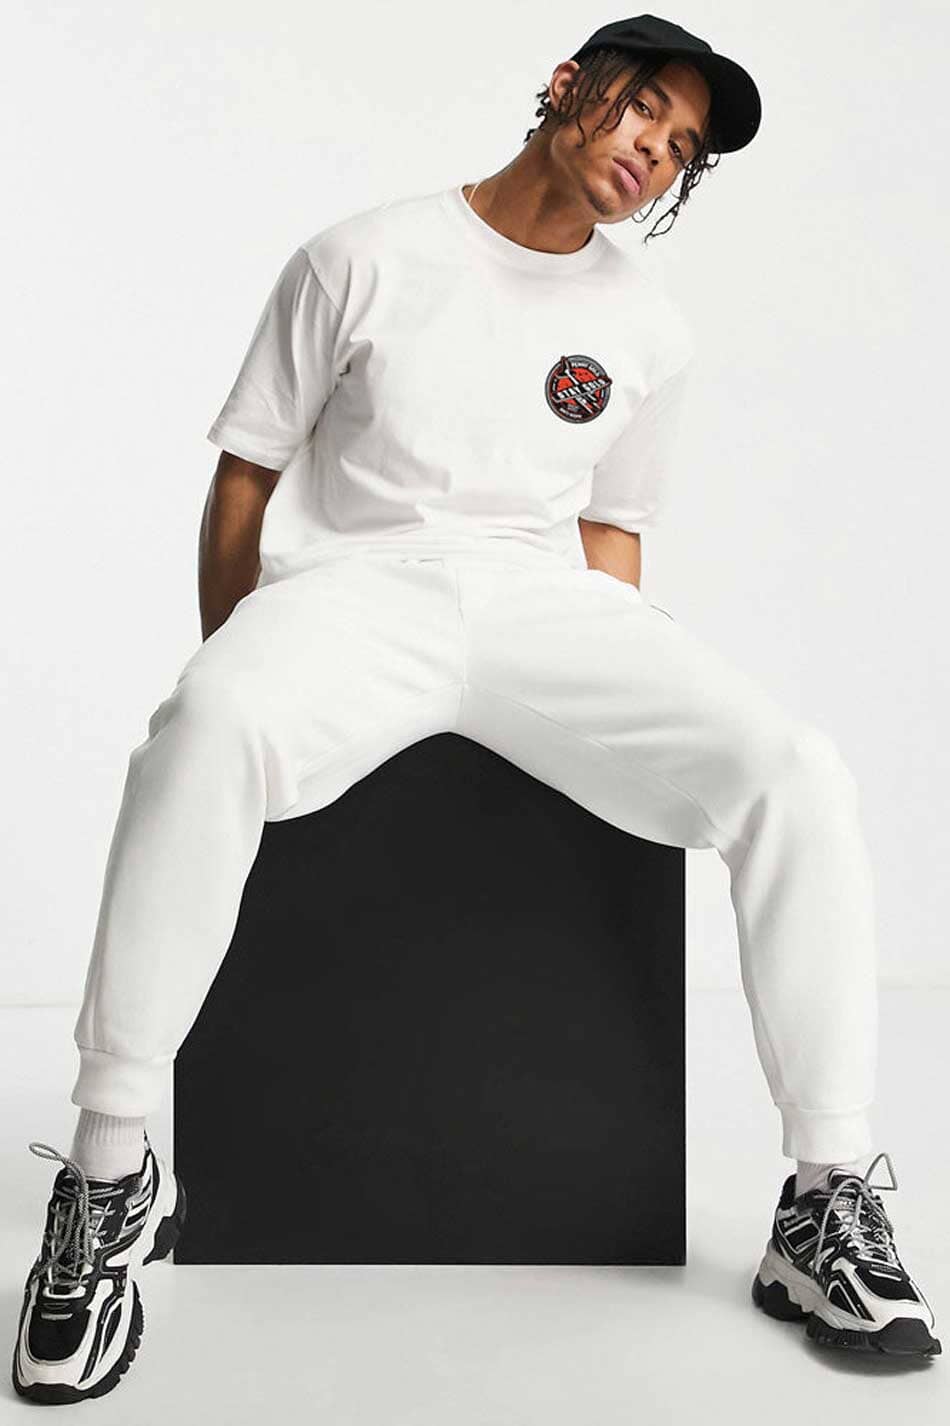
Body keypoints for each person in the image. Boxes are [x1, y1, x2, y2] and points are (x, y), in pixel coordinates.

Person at [12, 13, 941, 1404]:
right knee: (204, 732)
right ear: (567, 87)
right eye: (643, 108)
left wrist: (623, 686)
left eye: (684, 147)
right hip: (357, 590)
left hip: (540, 604)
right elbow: (247, 477)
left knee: (793, 768)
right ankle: (109, 1171)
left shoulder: (646, 327)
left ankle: (825, 1193)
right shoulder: (361, 256)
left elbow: (613, 529)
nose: (655, 150)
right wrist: (241, 661)